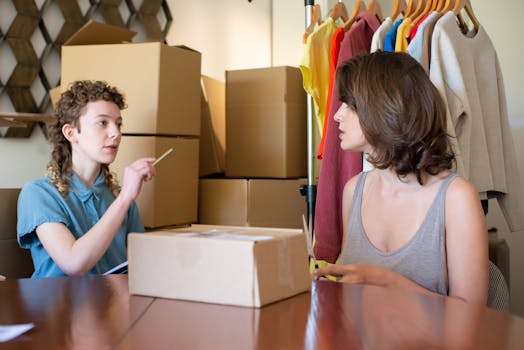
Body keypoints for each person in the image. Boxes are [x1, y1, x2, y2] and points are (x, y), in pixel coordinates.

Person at [313, 51, 488, 306]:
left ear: (385, 108)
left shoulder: (456, 198)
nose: (337, 116)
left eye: (350, 105)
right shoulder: (354, 190)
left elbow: (472, 315)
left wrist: (385, 281)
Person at [17, 80, 157, 277]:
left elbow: (140, 267)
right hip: (58, 306)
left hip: (113, 305)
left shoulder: (119, 195)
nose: (116, 134)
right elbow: (73, 263)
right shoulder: (38, 193)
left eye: (118, 124)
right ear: (71, 133)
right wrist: (125, 198)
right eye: (102, 123)